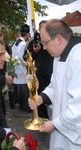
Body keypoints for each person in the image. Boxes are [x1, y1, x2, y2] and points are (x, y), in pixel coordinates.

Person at [28, 19, 81, 150]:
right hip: (60, 125)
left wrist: (55, 124)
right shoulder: (58, 56)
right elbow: (54, 85)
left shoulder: (78, 57)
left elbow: (79, 105)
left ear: (58, 39)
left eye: (45, 43)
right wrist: (41, 98)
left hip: (74, 136)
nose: (44, 48)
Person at [26, 21, 53, 119]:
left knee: (54, 95)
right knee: (40, 96)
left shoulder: (52, 38)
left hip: (51, 72)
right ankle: (43, 118)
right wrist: (35, 51)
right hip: (39, 75)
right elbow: (26, 58)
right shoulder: (33, 41)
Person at [11, 24, 30, 111]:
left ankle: (19, 102)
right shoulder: (23, 44)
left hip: (16, 67)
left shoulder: (15, 43)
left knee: (19, 84)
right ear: (27, 34)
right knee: (24, 85)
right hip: (22, 67)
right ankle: (25, 105)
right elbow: (22, 57)